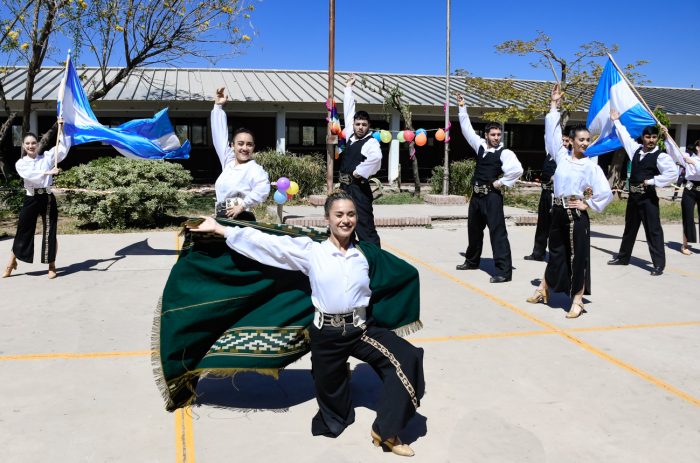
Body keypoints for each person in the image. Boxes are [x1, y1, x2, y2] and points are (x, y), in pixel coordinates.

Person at [188, 191, 424, 456]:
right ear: (327, 219)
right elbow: (266, 244)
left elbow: (399, 274)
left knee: (408, 358)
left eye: (350, 214)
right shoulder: (312, 251)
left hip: (360, 330)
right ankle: (337, 375)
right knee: (335, 416)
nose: (345, 220)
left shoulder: (366, 254)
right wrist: (220, 229)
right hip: (326, 335)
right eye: (339, 215)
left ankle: (387, 430)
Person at [526, 84, 613, 318]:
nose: (585, 143)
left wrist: (588, 205)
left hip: (576, 217)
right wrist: (554, 104)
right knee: (555, 253)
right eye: (581, 139)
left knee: (578, 258)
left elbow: (605, 193)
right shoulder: (562, 158)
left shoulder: (590, 165)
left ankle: (577, 300)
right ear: (571, 141)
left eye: (587, 140)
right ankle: (543, 288)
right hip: (557, 212)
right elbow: (551, 133)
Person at [455, 93, 524, 283]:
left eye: (498, 135)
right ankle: (472, 261)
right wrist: (462, 107)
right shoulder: (479, 146)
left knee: (497, 233)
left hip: (492, 198)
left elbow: (517, 170)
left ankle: (503, 271)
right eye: (493, 134)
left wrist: (501, 182)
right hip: (476, 197)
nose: (496, 137)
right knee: (474, 231)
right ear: (486, 135)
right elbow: (466, 129)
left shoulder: (505, 153)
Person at [606, 109, 678, 276]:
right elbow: (624, 137)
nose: (651, 140)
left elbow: (672, 173)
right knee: (630, 228)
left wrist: (652, 181)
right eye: (648, 137)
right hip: (633, 197)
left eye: (654, 137)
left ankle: (658, 265)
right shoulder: (636, 150)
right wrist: (616, 121)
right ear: (642, 138)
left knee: (653, 230)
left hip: (648, 199)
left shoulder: (660, 156)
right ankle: (623, 258)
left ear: (657, 139)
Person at [3, 132, 68, 279]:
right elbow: (30, 175)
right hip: (31, 198)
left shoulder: (46, 157)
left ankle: (51, 265)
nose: (31, 146)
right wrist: (48, 172)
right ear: (23, 146)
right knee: (23, 231)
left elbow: (62, 149)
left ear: (37, 144)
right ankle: (11, 262)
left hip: (47, 197)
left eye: (33, 143)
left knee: (50, 231)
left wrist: (62, 129)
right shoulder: (21, 163)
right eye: (27, 143)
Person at [211, 87, 270, 220]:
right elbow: (219, 136)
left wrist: (243, 205)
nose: (244, 148)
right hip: (222, 216)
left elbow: (263, 189)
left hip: (241, 220)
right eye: (240, 143)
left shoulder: (254, 169)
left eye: (249, 144)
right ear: (232, 146)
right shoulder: (228, 161)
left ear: (253, 147)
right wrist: (218, 107)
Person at [340, 75, 382, 246]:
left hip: (359, 190)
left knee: (365, 228)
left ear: (368, 126)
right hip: (344, 188)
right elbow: (349, 110)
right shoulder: (350, 133)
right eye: (358, 124)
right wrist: (349, 88)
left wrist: (359, 172)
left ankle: (375, 262)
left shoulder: (371, 142)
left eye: (364, 125)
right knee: (343, 226)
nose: (360, 127)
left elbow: (376, 158)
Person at [523, 135, 568, 262]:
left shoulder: (567, 157)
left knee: (556, 226)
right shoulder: (550, 153)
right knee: (542, 224)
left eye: (566, 141)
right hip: (545, 193)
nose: (564, 143)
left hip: (556, 195)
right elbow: (546, 135)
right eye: (561, 141)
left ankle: (557, 255)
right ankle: (538, 253)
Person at [667, 139, 699, 255]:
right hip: (690, 189)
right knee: (687, 217)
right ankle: (685, 245)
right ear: (697, 148)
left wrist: (694, 163)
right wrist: (667, 137)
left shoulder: (693, 161)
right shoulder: (687, 158)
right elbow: (674, 152)